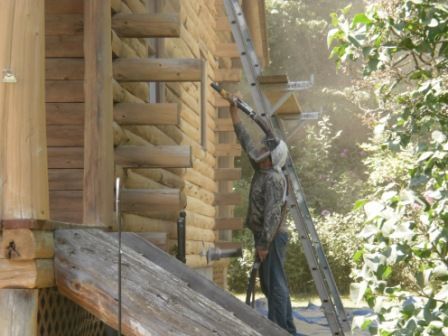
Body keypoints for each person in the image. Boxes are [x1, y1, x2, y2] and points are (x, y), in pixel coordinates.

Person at [229, 102, 298, 335]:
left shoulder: (274, 179)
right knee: (271, 283)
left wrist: (263, 244)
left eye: (265, 153)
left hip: (273, 237)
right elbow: (246, 141)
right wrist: (233, 114)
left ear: (273, 158)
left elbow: (273, 213)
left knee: (275, 284)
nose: (260, 154)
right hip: (266, 236)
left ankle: (278, 329)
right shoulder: (261, 169)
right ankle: (285, 327)